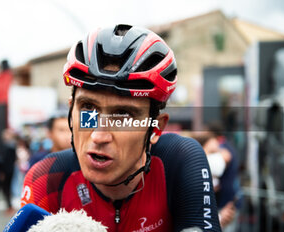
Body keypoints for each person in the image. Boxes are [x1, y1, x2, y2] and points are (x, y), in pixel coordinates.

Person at [20, 24, 221, 231]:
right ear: (71, 112)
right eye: (88, 107)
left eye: (123, 116)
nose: (99, 136)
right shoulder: (47, 177)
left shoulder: (180, 159)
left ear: (155, 129)